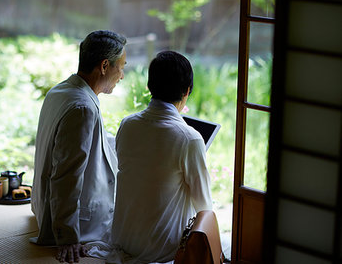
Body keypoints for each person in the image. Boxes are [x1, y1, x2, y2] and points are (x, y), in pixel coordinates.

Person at [31, 30, 127, 263]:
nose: (122, 75)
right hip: (77, 222)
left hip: (42, 206)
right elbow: (66, 176)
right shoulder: (82, 107)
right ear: (104, 65)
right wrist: (67, 236)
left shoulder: (61, 90)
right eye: (121, 67)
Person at [110, 51, 213, 263]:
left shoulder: (127, 124)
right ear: (187, 91)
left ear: (149, 87)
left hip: (123, 240)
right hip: (162, 250)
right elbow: (204, 207)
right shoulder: (190, 139)